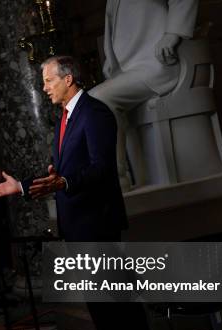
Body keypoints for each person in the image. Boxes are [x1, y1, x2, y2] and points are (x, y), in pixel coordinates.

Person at [0, 55, 160, 330]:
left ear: (69, 78)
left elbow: (101, 169)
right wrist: (21, 186)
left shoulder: (95, 114)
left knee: (119, 305)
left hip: (99, 225)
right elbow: (59, 175)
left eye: (48, 80)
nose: (44, 87)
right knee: (100, 307)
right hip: (77, 227)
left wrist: (63, 180)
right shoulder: (65, 118)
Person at [89, 0, 199, 189]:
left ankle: (115, 178)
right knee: (90, 102)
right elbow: (112, 22)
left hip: (159, 63)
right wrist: (111, 59)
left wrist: (173, 33)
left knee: (97, 100)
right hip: (131, 68)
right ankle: (112, 176)